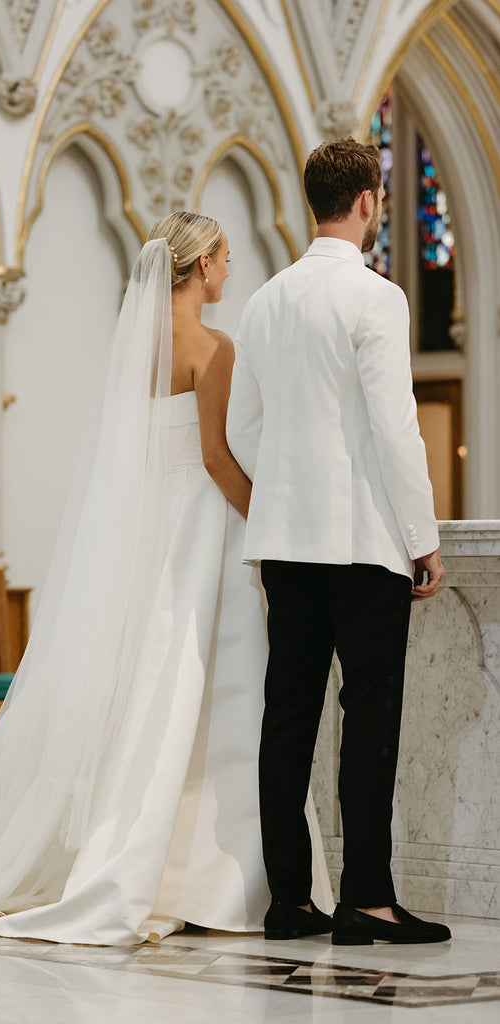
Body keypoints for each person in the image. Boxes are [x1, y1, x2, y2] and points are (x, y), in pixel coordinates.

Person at [0, 214, 331, 942]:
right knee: (219, 705)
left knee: (148, 705)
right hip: (205, 533)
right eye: (222, 257)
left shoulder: (136, 347)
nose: (227, 270)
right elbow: (217, 461)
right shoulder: (214, 348)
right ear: (199, 267)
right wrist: (274, 526)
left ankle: (135, 852)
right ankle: (209, 878)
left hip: (148, 534)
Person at [227, 138, 451, 945]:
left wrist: (287, 490)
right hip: (362, 542)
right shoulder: (373, 297)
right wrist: (421, 537)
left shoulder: (263, 301)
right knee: (369, 719)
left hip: (283, 543)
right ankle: (366, 898)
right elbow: (395, 430)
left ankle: (289, 900)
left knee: (286, 717)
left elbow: (241, 428)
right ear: (366, 202)